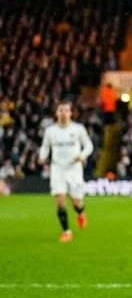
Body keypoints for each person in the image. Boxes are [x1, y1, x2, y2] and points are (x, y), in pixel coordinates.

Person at [38, 100, 93, 242]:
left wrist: (82, 156)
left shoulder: (78, 129)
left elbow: (88, 146)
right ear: (56, 113)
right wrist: (42, 156)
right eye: (60, 110)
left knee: (77, 202)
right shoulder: (50, 131)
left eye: (66, 110)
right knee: (60, 199)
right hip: (57, 168)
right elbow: (45, 147)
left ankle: (81, 213)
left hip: (74, 168)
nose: (63, 113)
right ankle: (66, 231)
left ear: (70, 113)